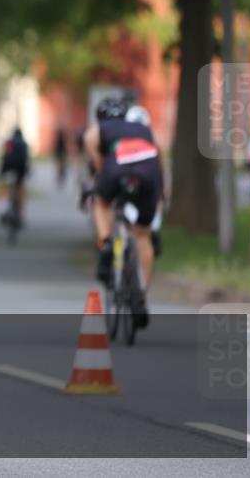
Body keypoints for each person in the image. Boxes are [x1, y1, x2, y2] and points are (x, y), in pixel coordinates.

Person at [83, 98, 163, 328]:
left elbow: (95, 155)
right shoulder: (145, 129)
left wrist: (99, 173)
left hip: (117, 165)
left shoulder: (100, 128)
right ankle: (140, 295)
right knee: (143, 234)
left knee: (102, 203)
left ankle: (106, 243)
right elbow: (159, 159)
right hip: (148, 169)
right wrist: (161, 191)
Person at [0, 127, 30, 226]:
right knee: (21, 189)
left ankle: (3, 209)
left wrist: (1, 172)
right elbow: (26, 160)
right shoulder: (24, 144)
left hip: (8, 169)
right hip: (20, 170)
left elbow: (5, 157)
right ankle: (21, 214)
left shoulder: (9, 142)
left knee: (5, 187)